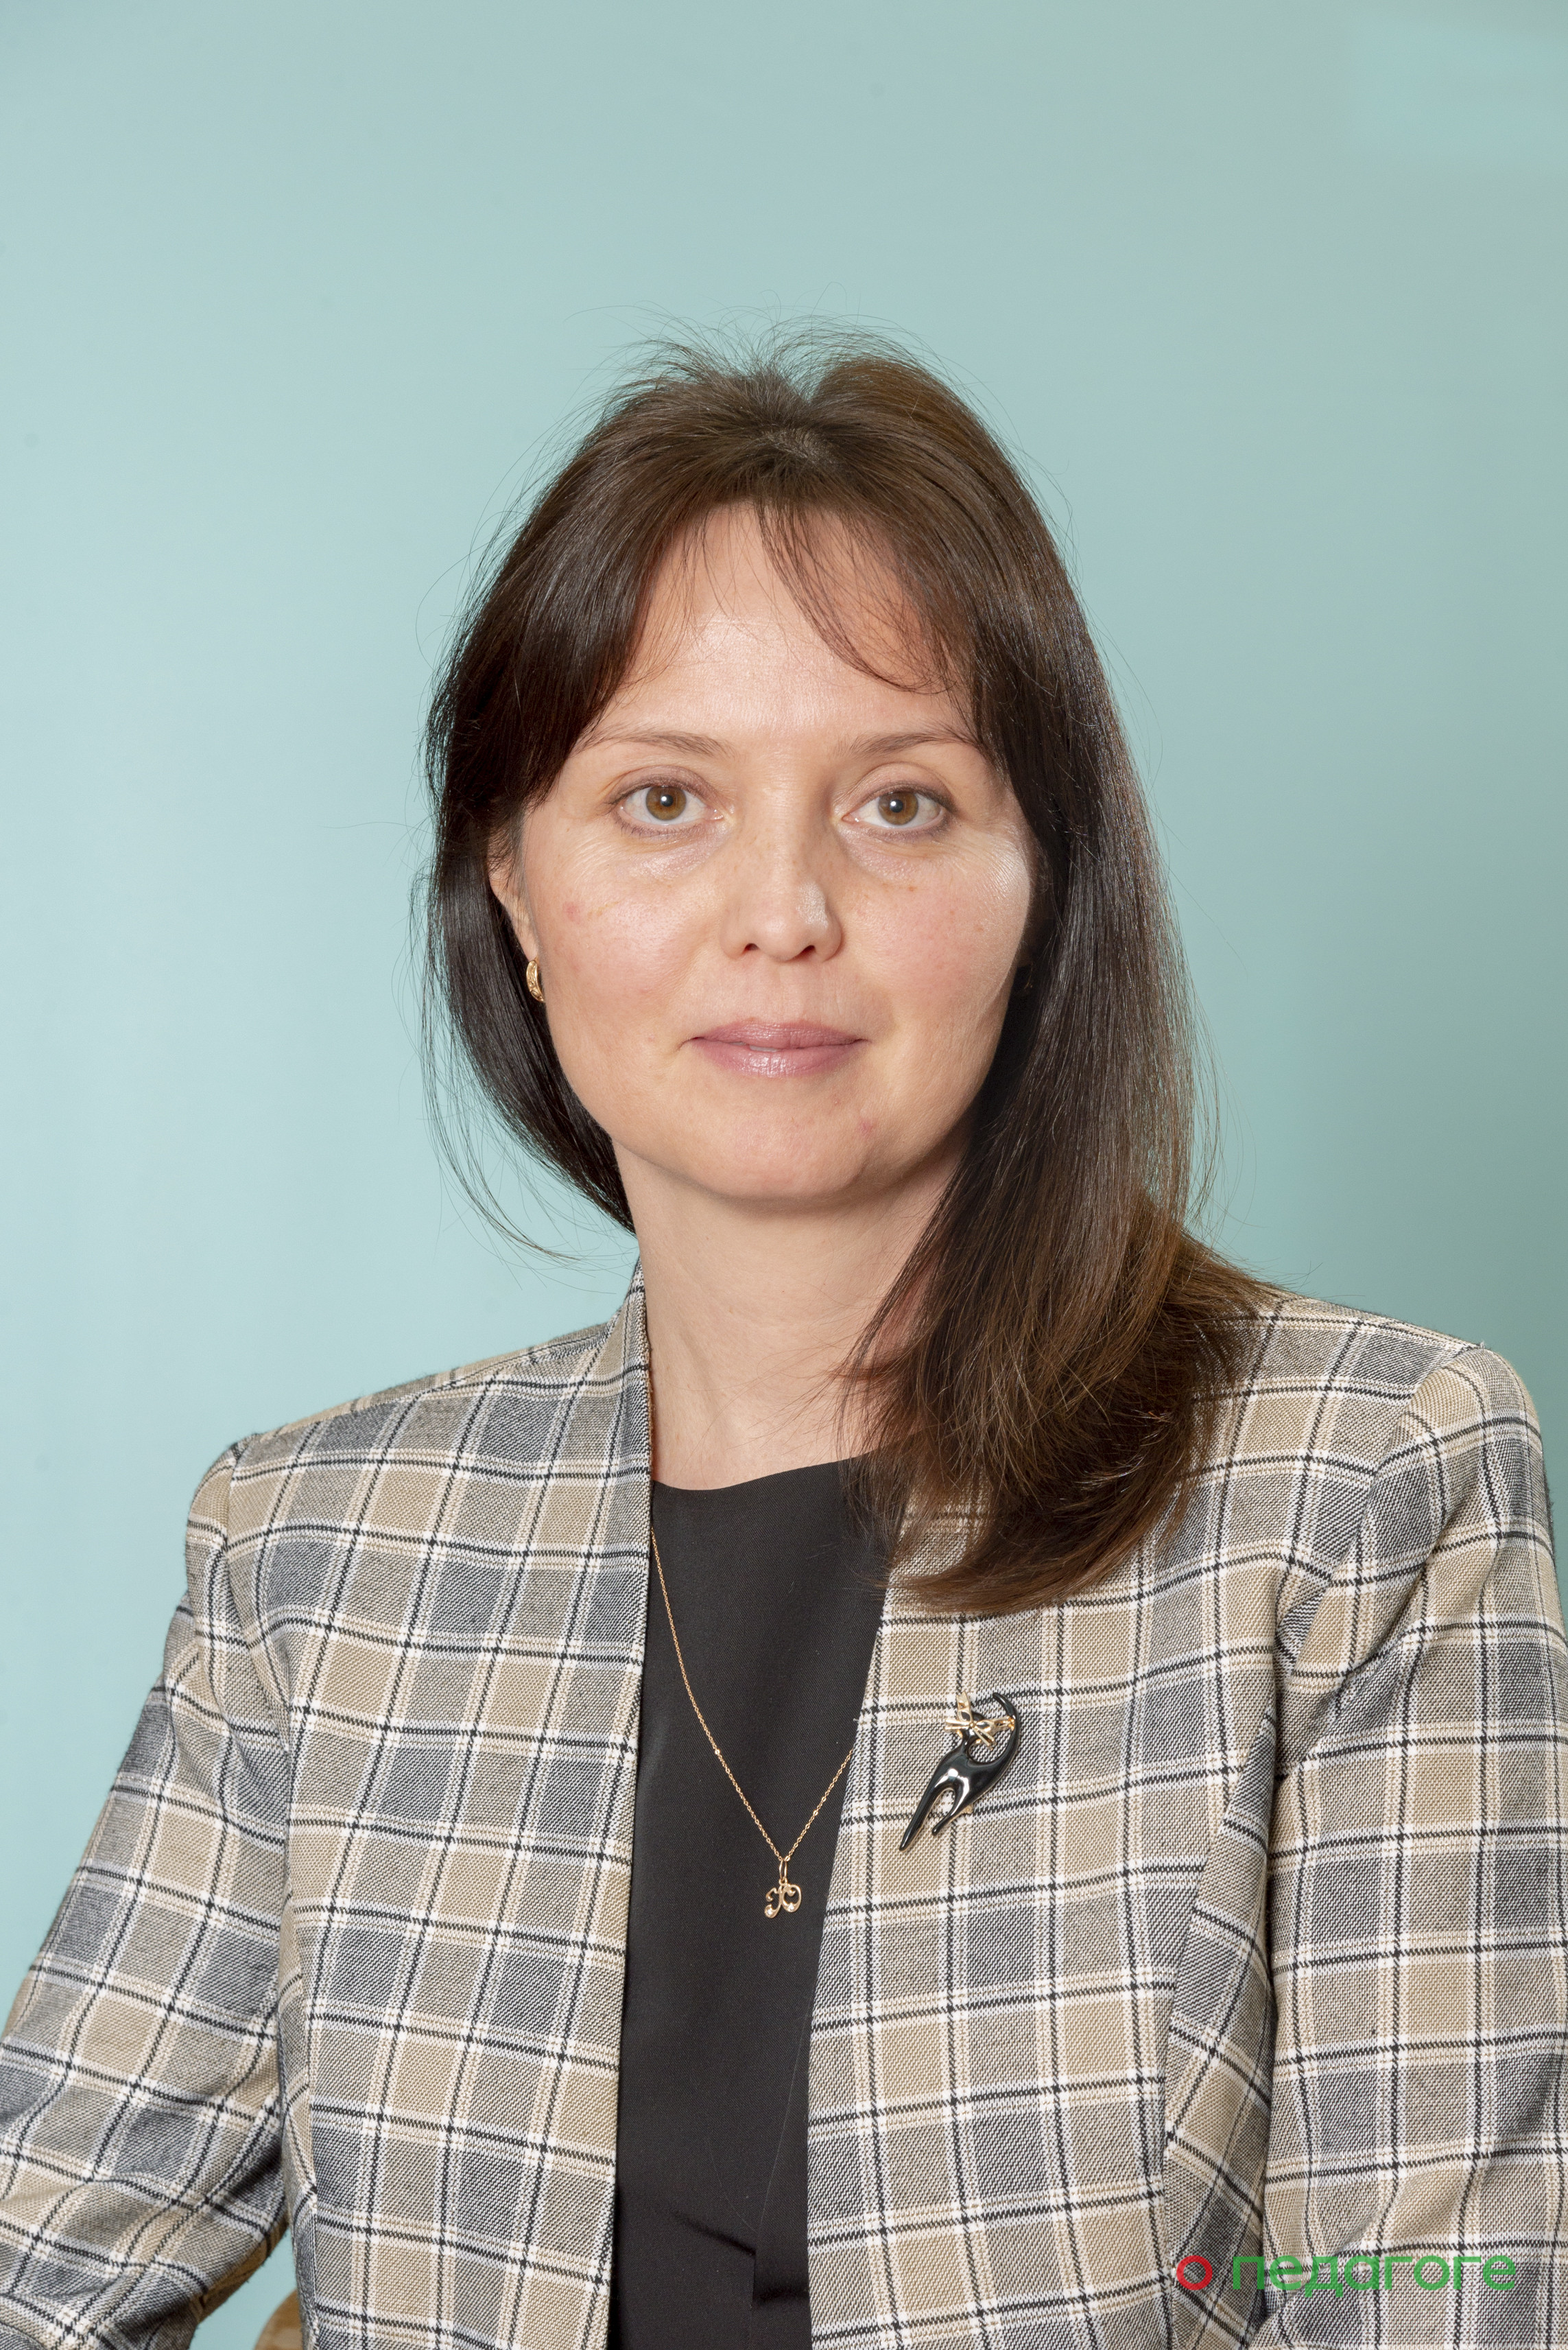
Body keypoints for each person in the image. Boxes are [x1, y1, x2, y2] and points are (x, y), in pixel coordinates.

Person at [0, 332, 1562, 2350]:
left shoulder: (1365, 1477)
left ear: (1044, 882)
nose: (782, 910)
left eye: (902, 803)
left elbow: (1439, 2301)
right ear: (514, 882)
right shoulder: (316, 1550)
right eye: (663, 799)